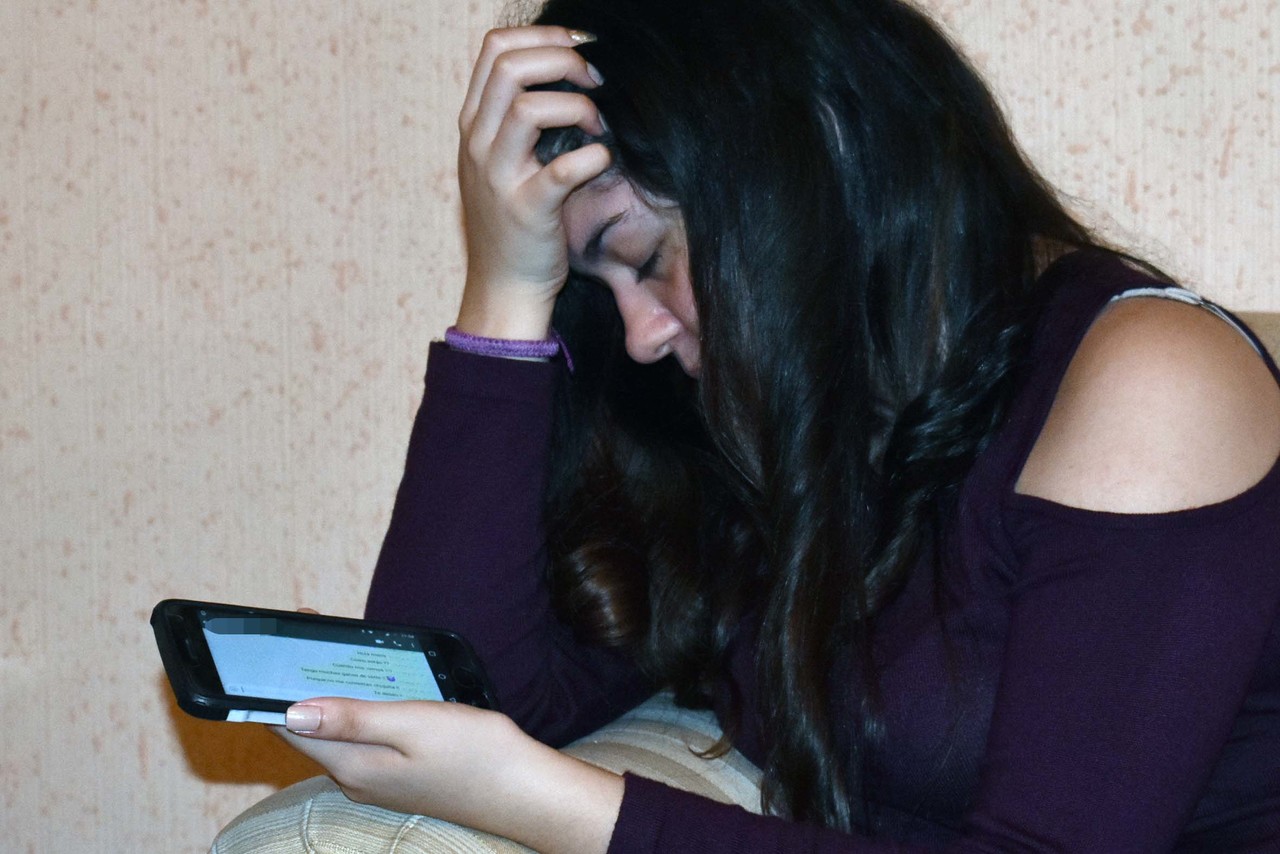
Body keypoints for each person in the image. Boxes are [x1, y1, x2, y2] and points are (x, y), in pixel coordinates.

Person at [275, 0, 1280, 850]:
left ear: (811, 159)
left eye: (644, 257)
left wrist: (557, 804)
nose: (639, 336)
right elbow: (444, 690)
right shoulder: (778, 433)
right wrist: (504, 289)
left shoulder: (1153, 380)